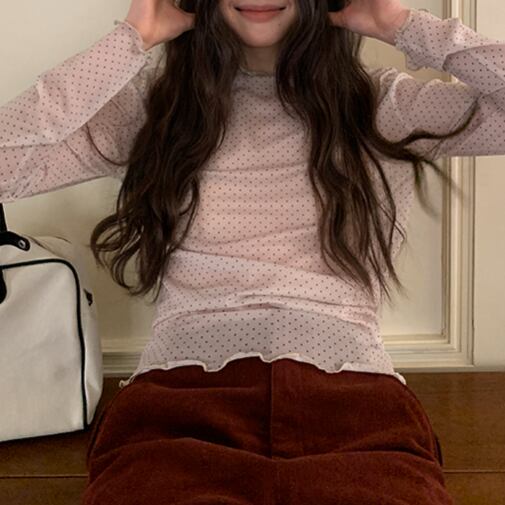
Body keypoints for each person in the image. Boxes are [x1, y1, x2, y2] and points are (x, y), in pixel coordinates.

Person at [1, 0, 504, 503]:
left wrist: (401, 26)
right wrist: (132, 39)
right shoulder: (151, 111)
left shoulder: (381, 107)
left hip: (353, 405)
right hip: (178, 408)